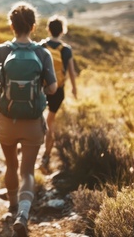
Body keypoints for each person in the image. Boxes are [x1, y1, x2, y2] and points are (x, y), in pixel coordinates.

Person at [0, 2, 57, 236]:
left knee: (10, 165)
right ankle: (23, 214)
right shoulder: (42, 53)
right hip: (33, 123)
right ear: (34, 26)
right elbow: (54, 88)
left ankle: (13, 205)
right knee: (27, 171)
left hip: (7, 120)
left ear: (11, 25)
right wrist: (39, 91)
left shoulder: (0, 51)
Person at [39, 15, 77, 174]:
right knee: (50, 121)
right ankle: (46, 156)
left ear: (48, 29)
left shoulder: (41, 45)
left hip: (41, 89)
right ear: (62, 31)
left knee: (37, 118)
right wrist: (75, 89)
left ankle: (31, 146)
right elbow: (71, 71)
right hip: (58, 90)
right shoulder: (66, 49)